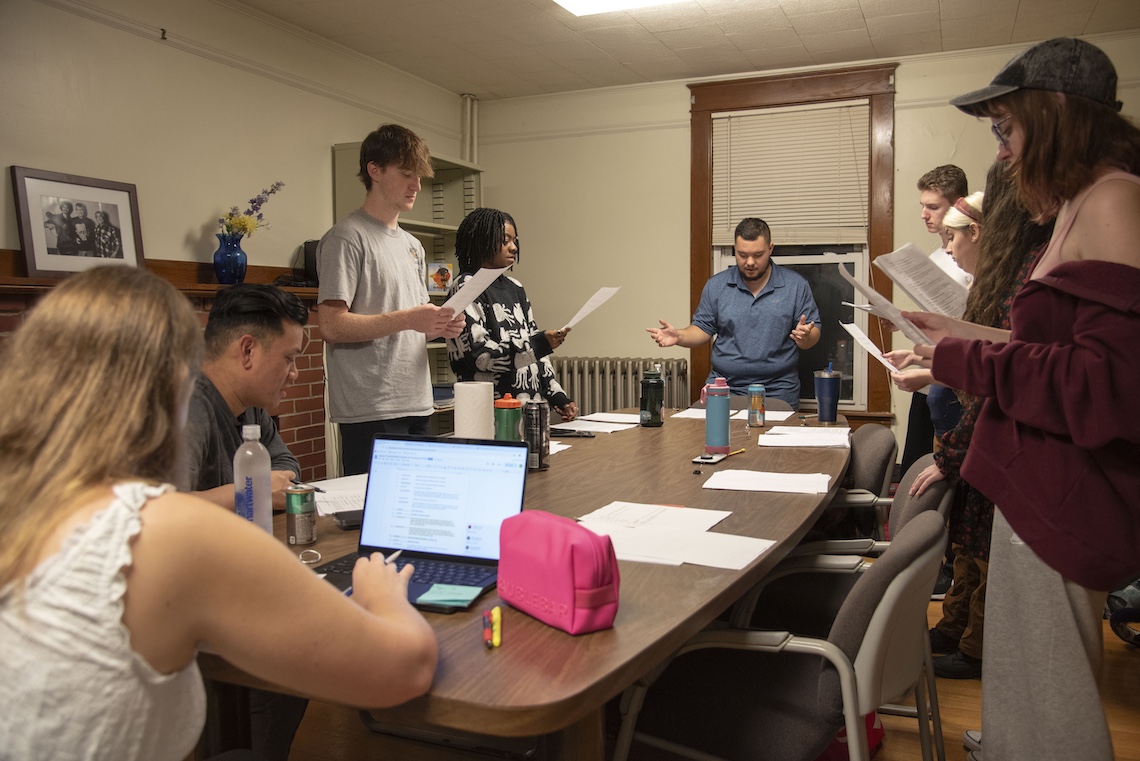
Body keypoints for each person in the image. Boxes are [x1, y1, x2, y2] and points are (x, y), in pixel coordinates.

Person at [0, 266, 437, 761]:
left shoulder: (26, 509)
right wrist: (382, 593)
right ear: (173, 383)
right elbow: (406, 668)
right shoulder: (168, 528)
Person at [908, 38, 1140, 761]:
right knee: (1024, 691)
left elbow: (1105, 386)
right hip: (1034, 488)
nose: (1002, 154)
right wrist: (961, 331)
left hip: (1066, 498)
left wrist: (962, 357)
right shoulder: (1078, 205)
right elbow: (1055, 343)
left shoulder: (1116, 201)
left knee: (1056, 712)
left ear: (1058, 115)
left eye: (1007, 129)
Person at [316, 123, 465, 475]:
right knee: (370, 519)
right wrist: (411, 319)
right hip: (372, 408)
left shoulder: (412, 245)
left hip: (418, 401)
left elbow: (412, 326)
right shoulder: (346, 238)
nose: (416, 186)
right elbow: (331, 325)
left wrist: (440, 327)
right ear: (375, 171)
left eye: (420, 177)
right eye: (407, 174)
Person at [647, 217, 820, 409]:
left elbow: (813, 333)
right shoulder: (717, 285)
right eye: (742, 255)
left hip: (777, 389)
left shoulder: (795, 286)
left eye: (758, 254)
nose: (750, 262)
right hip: (724, 385)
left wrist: (805, 337)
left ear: (771, 249)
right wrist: (678, 335)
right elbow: (702, 329)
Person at [446, 208, 577, 421]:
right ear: (482, 240)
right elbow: (479, 356)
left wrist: (557, 396)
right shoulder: (465, 287)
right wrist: (537, 344)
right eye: (505, 240)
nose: (514, 247)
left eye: (515, 241)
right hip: (489, 412)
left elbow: (536, 354)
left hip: (528, 409)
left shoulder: (516, 287)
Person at [186, 283, 305, 513]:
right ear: (248, 351)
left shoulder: (250, 405)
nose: (294, 373)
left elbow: (286, 466)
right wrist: (254, 491)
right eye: (289, 358)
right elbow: (157, 506)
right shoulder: (188, 407)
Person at [893, 166, 970, 475]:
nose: (924, 214)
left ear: (958, 205)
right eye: (922, 206)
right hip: (926, 374)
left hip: (953, 383)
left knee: (946, 475)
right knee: (915, 467)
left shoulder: (970, 257)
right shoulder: (935, 257)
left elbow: (967, 326)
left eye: (933, 207)